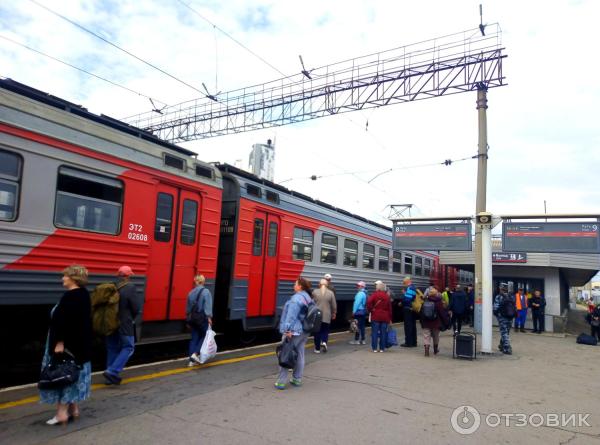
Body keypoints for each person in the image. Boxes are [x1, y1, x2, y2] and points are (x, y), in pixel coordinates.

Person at [40, 265, 93, 425]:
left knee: (61, 375)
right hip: (78, 346)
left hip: (67, 345)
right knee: (72, 375)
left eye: (65, 276)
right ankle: (74, 409)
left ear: (73, 278)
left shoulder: (71, 297)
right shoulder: (83, 294)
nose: (62, 278)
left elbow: (64, 323)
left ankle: (61, 413)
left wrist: (60, 343)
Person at [103, 266, 143, 384]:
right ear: (129, 275)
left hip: (110, 323)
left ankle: (109, 377)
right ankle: (112, 371)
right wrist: (132, 318)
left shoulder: (112, 286)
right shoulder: (130, 287)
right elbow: (135, 307)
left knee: (112, 348)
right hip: (124, 323)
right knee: (128, 347)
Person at [275, 277, 312, 389]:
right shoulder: (308, 297)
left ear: (300, 286)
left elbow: (290, 317)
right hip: (304, 331)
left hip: (294, 331)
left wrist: (287, 331)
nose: (293, 285)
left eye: (295, 283)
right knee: (300, 354)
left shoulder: (296, 299)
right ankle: (297, 379)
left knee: (286, 353)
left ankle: (281, 381)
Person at [186, 274, 214, 366]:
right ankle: (195, 354)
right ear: (202, 281)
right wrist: (209, 317)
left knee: (194, 338)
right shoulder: (206, 292)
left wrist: (187, 320)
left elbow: (188, 309)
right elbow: (207, 306)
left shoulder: (190, 293)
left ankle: (191, 361)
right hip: (202, 318)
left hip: (192, 319)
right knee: (205, 335)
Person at [420, 288, 449, 357]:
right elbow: (442, 313)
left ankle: (426, 351)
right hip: (436, 323)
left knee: (426, 336)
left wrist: (421, 321)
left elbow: (421, 312)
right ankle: (435, 350)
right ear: (436, 294)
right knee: (436, 336)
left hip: (426, 322)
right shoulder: (439, 302)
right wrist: (446, 322)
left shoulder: (425, 300)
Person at [312, 278, 337, 353]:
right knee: (325, 331)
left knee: (317, 332)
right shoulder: (330, 293)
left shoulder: (315, 292)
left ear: (319, 284)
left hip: (317, 315)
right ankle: (324, 342)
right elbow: (334, 305)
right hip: (327, 315)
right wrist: (334, 313)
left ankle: (317, 349)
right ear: (327, 285)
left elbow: (311, 303)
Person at [367, 281, 392, 352]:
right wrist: (390, 318)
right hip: (385, 317)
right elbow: (390, 308)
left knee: (374, 332)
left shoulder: (374, 295)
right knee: (383, 333)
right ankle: (382, 348)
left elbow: (368, 302)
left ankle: (374, 348)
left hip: (375, 316)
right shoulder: (387, 296)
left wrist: (371, 310)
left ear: (377, 288)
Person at [493, 284, 515, 355]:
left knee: (504, 333)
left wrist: (498, 316)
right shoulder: (511, 296)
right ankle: (501, 345)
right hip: (510, 317)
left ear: (501, 289)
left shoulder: (498, 297)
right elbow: (515, 307)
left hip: (502, 317)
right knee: (506, 332)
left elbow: (495, 309)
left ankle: (507, 348)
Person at [400, 276, 418, 347]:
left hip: (408, 309)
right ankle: (414, 342)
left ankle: (409, 342)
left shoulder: (410, 288)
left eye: (404, 282)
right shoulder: (413, 287)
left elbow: (408, 299)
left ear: (407, 282)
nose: (404, 284)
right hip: (412, 309)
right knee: (413, 325)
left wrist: (402, 300)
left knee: (408, 326)